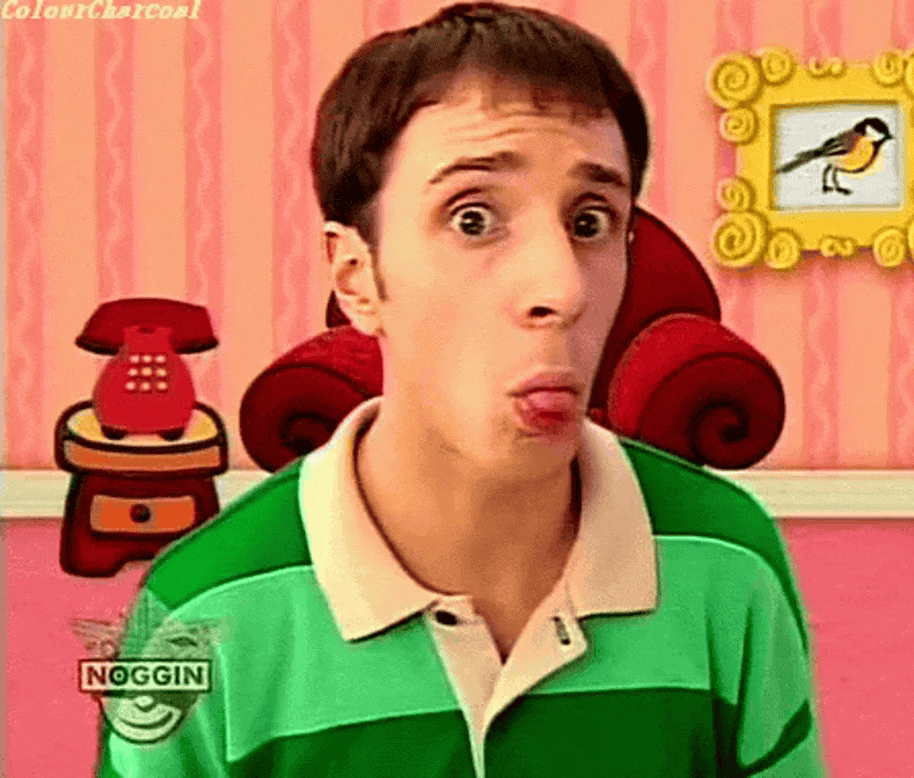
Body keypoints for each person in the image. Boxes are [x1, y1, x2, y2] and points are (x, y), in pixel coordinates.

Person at [93, 3, 828, 776]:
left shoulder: (728, 565)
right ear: (357, 277)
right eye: (474, 219)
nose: (563, 288)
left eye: (590, 222)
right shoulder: (200, 612)